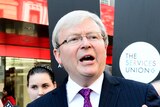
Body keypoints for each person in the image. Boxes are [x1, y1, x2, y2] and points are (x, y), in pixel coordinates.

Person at [27, 10, 160, 107]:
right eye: (74, 39)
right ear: (58, 55)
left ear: (105, 46)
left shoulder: (141, 96)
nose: (86, 44)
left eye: (93, 37)